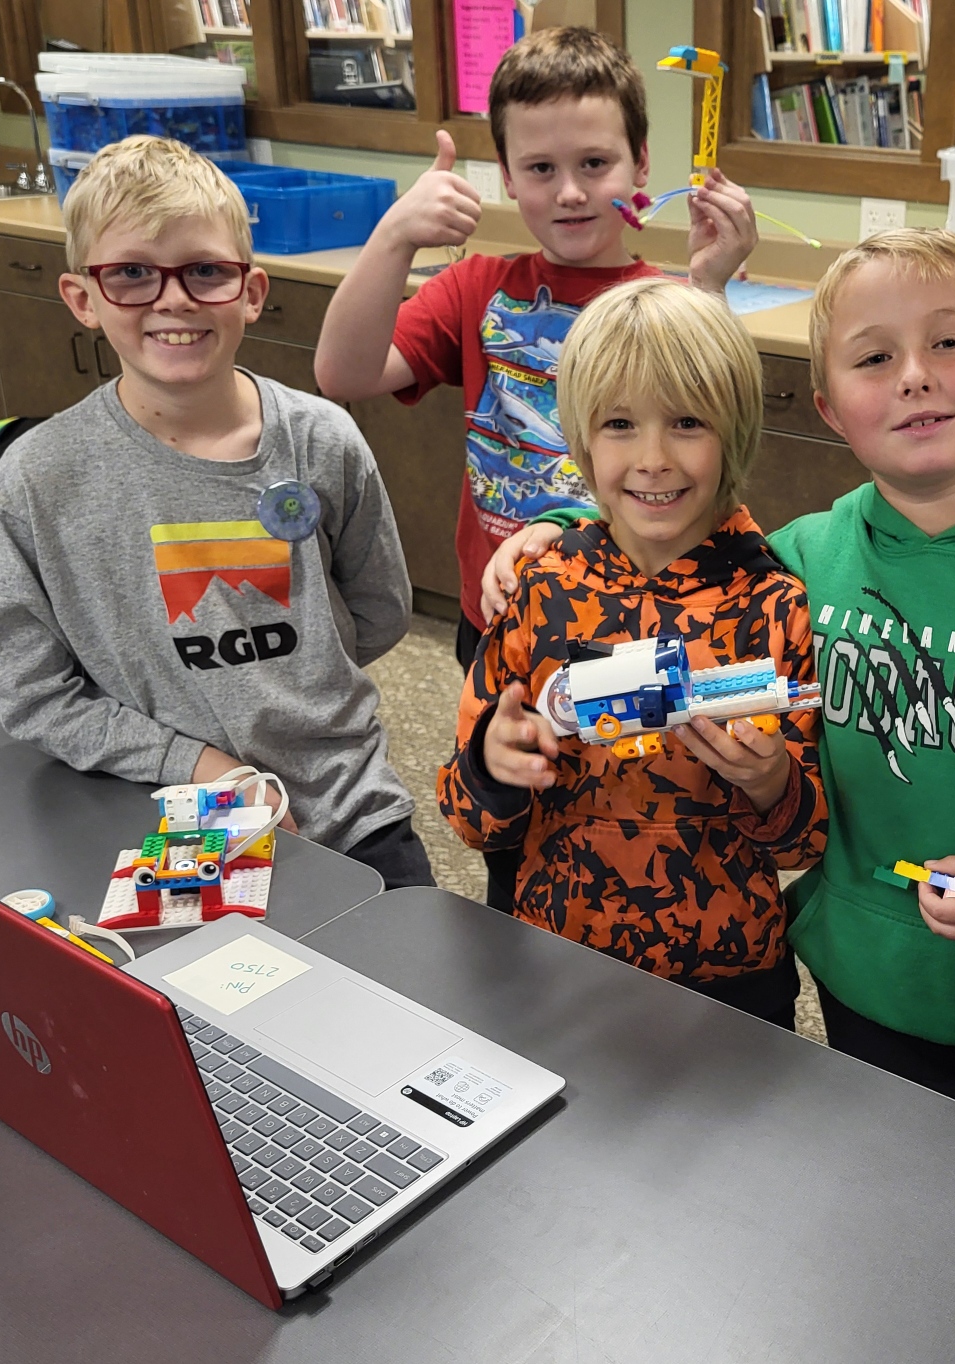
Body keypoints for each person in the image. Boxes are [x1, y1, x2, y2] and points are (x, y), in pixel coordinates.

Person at [480, 229, 955, 1112]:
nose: (915, 375)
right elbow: (673, 519)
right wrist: (566, 524)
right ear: (828, 408)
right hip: (856, 975)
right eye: (875, 357)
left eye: (950, 342)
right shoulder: (801, 559)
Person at [314, 25, 758, 910]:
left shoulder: (665, 301)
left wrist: (712, 284)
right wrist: (396, 235)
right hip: (507, 621)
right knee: (511, 814)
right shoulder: (478, 288)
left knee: (646, 815)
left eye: (595, 163)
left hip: (638, 615)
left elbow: (708, 452)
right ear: (506, 177)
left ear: (640, 163)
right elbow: (344, 374)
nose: (569, 192)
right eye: (541, 169)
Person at [0, 135, 432, 889]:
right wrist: (200, 764)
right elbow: (34, 695)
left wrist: (297, 677)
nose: (174, 299)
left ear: (251, 291)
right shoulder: (39, 476)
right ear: (82, 298)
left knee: (410, 991)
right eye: (130, 273)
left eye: (205, 271)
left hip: (354, 813)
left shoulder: (322, 438)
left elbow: (380, 609)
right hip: (167, 818)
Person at [438, 279, 826, 1028]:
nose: (652, 458)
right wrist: (493, 765)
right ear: (581, 438)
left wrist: (773, 781)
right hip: (556, 958)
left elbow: (806, 839)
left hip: (729, 982)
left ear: (736, 430)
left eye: (687, 422)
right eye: (619, 424)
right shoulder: (539, 586)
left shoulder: (777, 603)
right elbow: (464, 816)